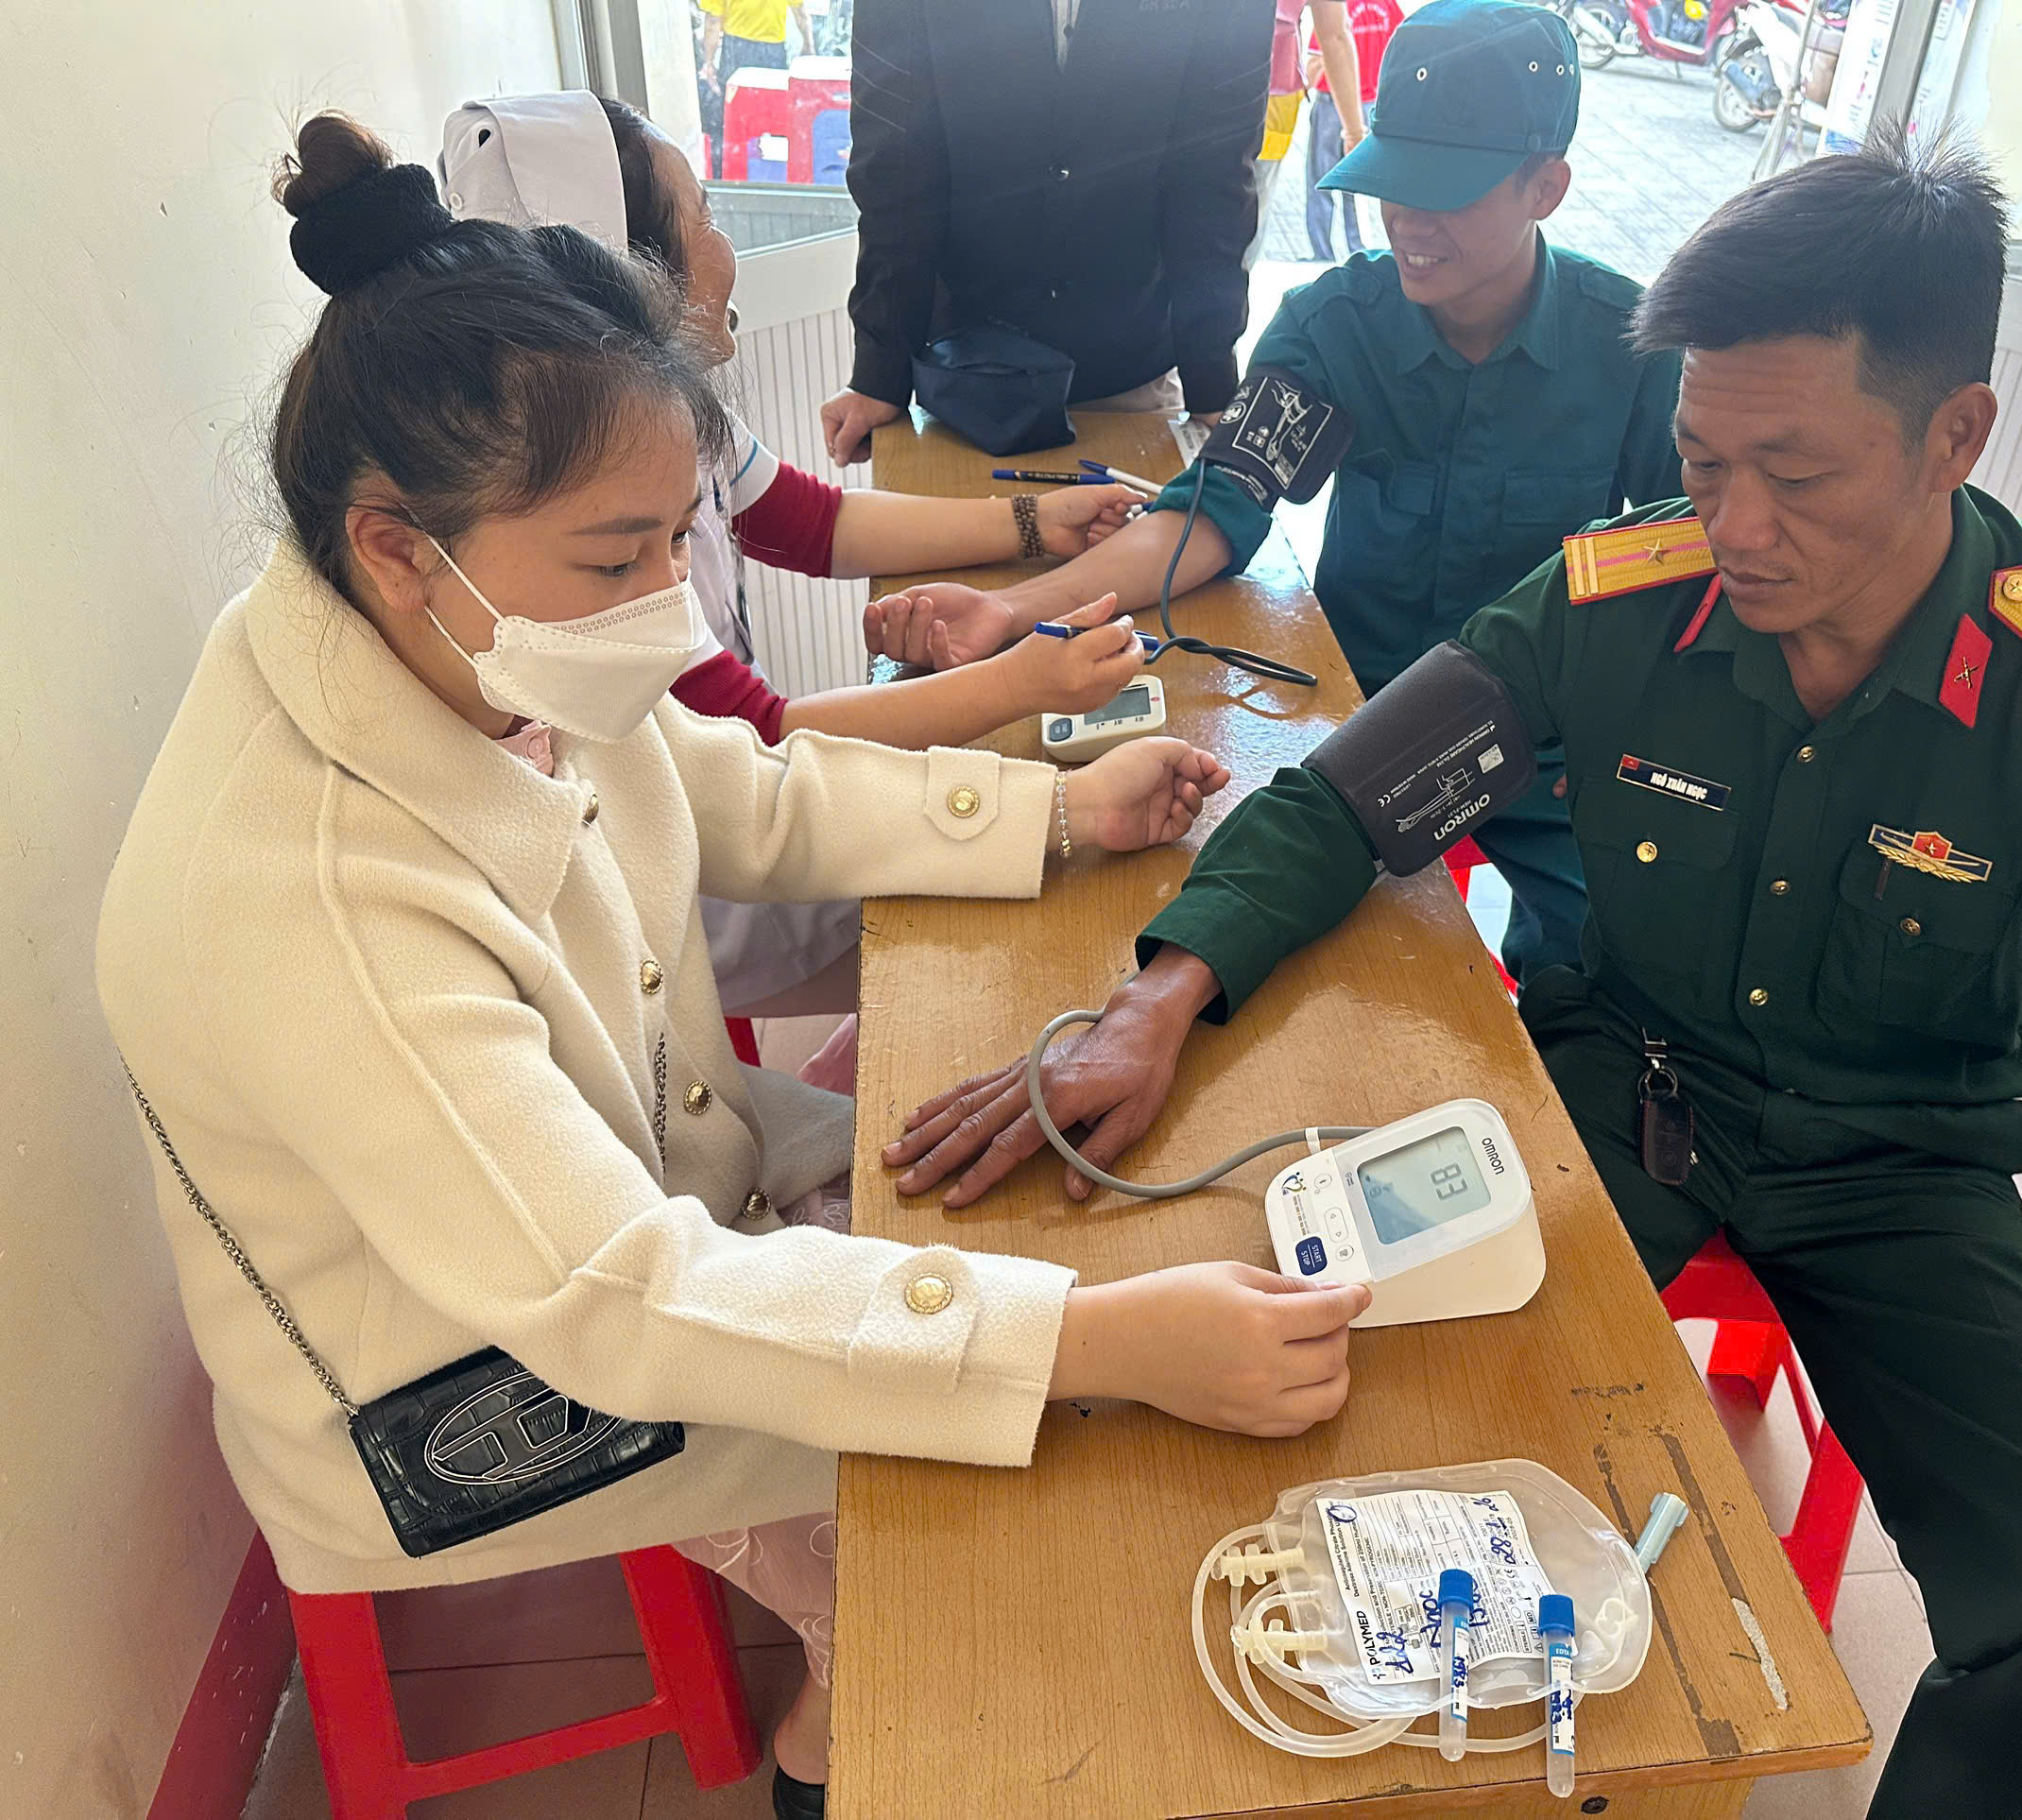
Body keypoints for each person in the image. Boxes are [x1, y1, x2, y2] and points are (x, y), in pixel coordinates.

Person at [888, 136, 2022, 1820]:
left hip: (1907, 1170)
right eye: (1700, 460)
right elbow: (1352, 801)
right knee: (1345, 1391)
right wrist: (1154, 1002)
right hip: (1632, 1089)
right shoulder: (1621, 596)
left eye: (1794, 475)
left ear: (1954, 435)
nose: (1731, 527)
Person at [95, 116, 1369, 1820]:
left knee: (1034, 1233)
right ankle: (835, 1750)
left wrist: (1057, 809)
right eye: (616, 560)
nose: (666, 607)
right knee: (976, 1531)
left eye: (669, 542)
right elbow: (612, 1302)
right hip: (463, 1392)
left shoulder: (465, 627)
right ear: (395, 543)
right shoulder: (306, 894)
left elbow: (742, 789)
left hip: (625, 1196)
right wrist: (1088, 1343)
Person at [865, 0, 1684, 987]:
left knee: (1608, 974)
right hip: (1361, 718)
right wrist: (1012, 613)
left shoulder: (1635, 351)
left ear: (1545, 186)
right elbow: (1213, 513)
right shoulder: (1336, 327)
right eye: (1394, 181)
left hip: (1549, 754)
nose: (1409, 222)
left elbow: (1685, 575)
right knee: (1272, 959)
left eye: (1449, 192)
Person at [441, 91, 1148, 1028]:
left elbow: (811, 524)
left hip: (733, 822)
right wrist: (1026, 689)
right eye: (703, 217)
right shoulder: (590, 523)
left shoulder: (658, 423)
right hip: (701, 875)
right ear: (631, 270)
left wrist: (1028, 521)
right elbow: (760, 738)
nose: (724, 247)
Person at [820, 0, 1272, 463]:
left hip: (1133, 370)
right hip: (970, 376)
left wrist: (1213, 382)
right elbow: (895, 173)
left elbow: (1214, 182)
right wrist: (879, 372)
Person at [1247, 1, 1367, 266]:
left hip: (1194, 90)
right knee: (1242, 232)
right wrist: (1354, 132)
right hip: (1271, 99)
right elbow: (1334, 35)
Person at [1304, 0, 1398, 260]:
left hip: (1331, 102)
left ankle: (1322, 254)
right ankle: (1357, 250)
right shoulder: (1387, 5)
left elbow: (1321, 55)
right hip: (1369, 104)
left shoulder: (1336, 8)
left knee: (1320, 180)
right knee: (1355, 185)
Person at [698, 0, 803, 169]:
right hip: (773, 51)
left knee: (732, 116)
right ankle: (777, 172)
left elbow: (713, 20)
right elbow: (800, 12)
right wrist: (808, 44)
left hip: (736, 51)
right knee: (775, 114)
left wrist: (708, 62)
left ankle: (731, 170)